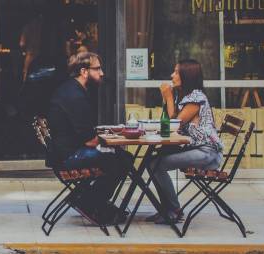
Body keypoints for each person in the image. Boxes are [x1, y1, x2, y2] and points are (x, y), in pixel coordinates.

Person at [46, 52, 133, 225]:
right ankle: (89, 203)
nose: (101, 73)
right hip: (69, 156)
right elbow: (89, 141)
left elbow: (86, 132)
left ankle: (92, 201)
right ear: (84, 71)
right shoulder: (75, 96)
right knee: (120, 160)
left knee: (121, 158)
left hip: (64, 152)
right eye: (97, 69)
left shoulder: (72, 89)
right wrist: (114, 138)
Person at [148, 59, 224, 224]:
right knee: (153, 161)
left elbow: (174, 125)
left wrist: (168, 97)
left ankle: (173, 209)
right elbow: (170, 122)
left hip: (207, 153)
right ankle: (167, 208)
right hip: (196, 149)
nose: (172, 75)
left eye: (176, 72)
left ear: (186, 76)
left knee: (156, 165)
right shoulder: (186, 96)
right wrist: (168, 98)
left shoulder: (196, 98)